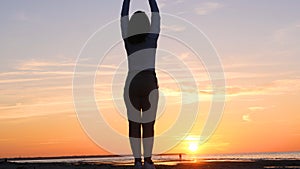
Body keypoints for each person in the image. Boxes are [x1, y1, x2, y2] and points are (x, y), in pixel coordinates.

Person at [121, 0, 160, 169]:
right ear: (147, 25)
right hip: (149, 82)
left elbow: (123, 17)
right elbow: (156, 15)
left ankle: (137, 161)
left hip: (132, 83)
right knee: (149, 124)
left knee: (134, 124)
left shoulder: (128, 39)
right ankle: (148, 161)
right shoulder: (152, 37)